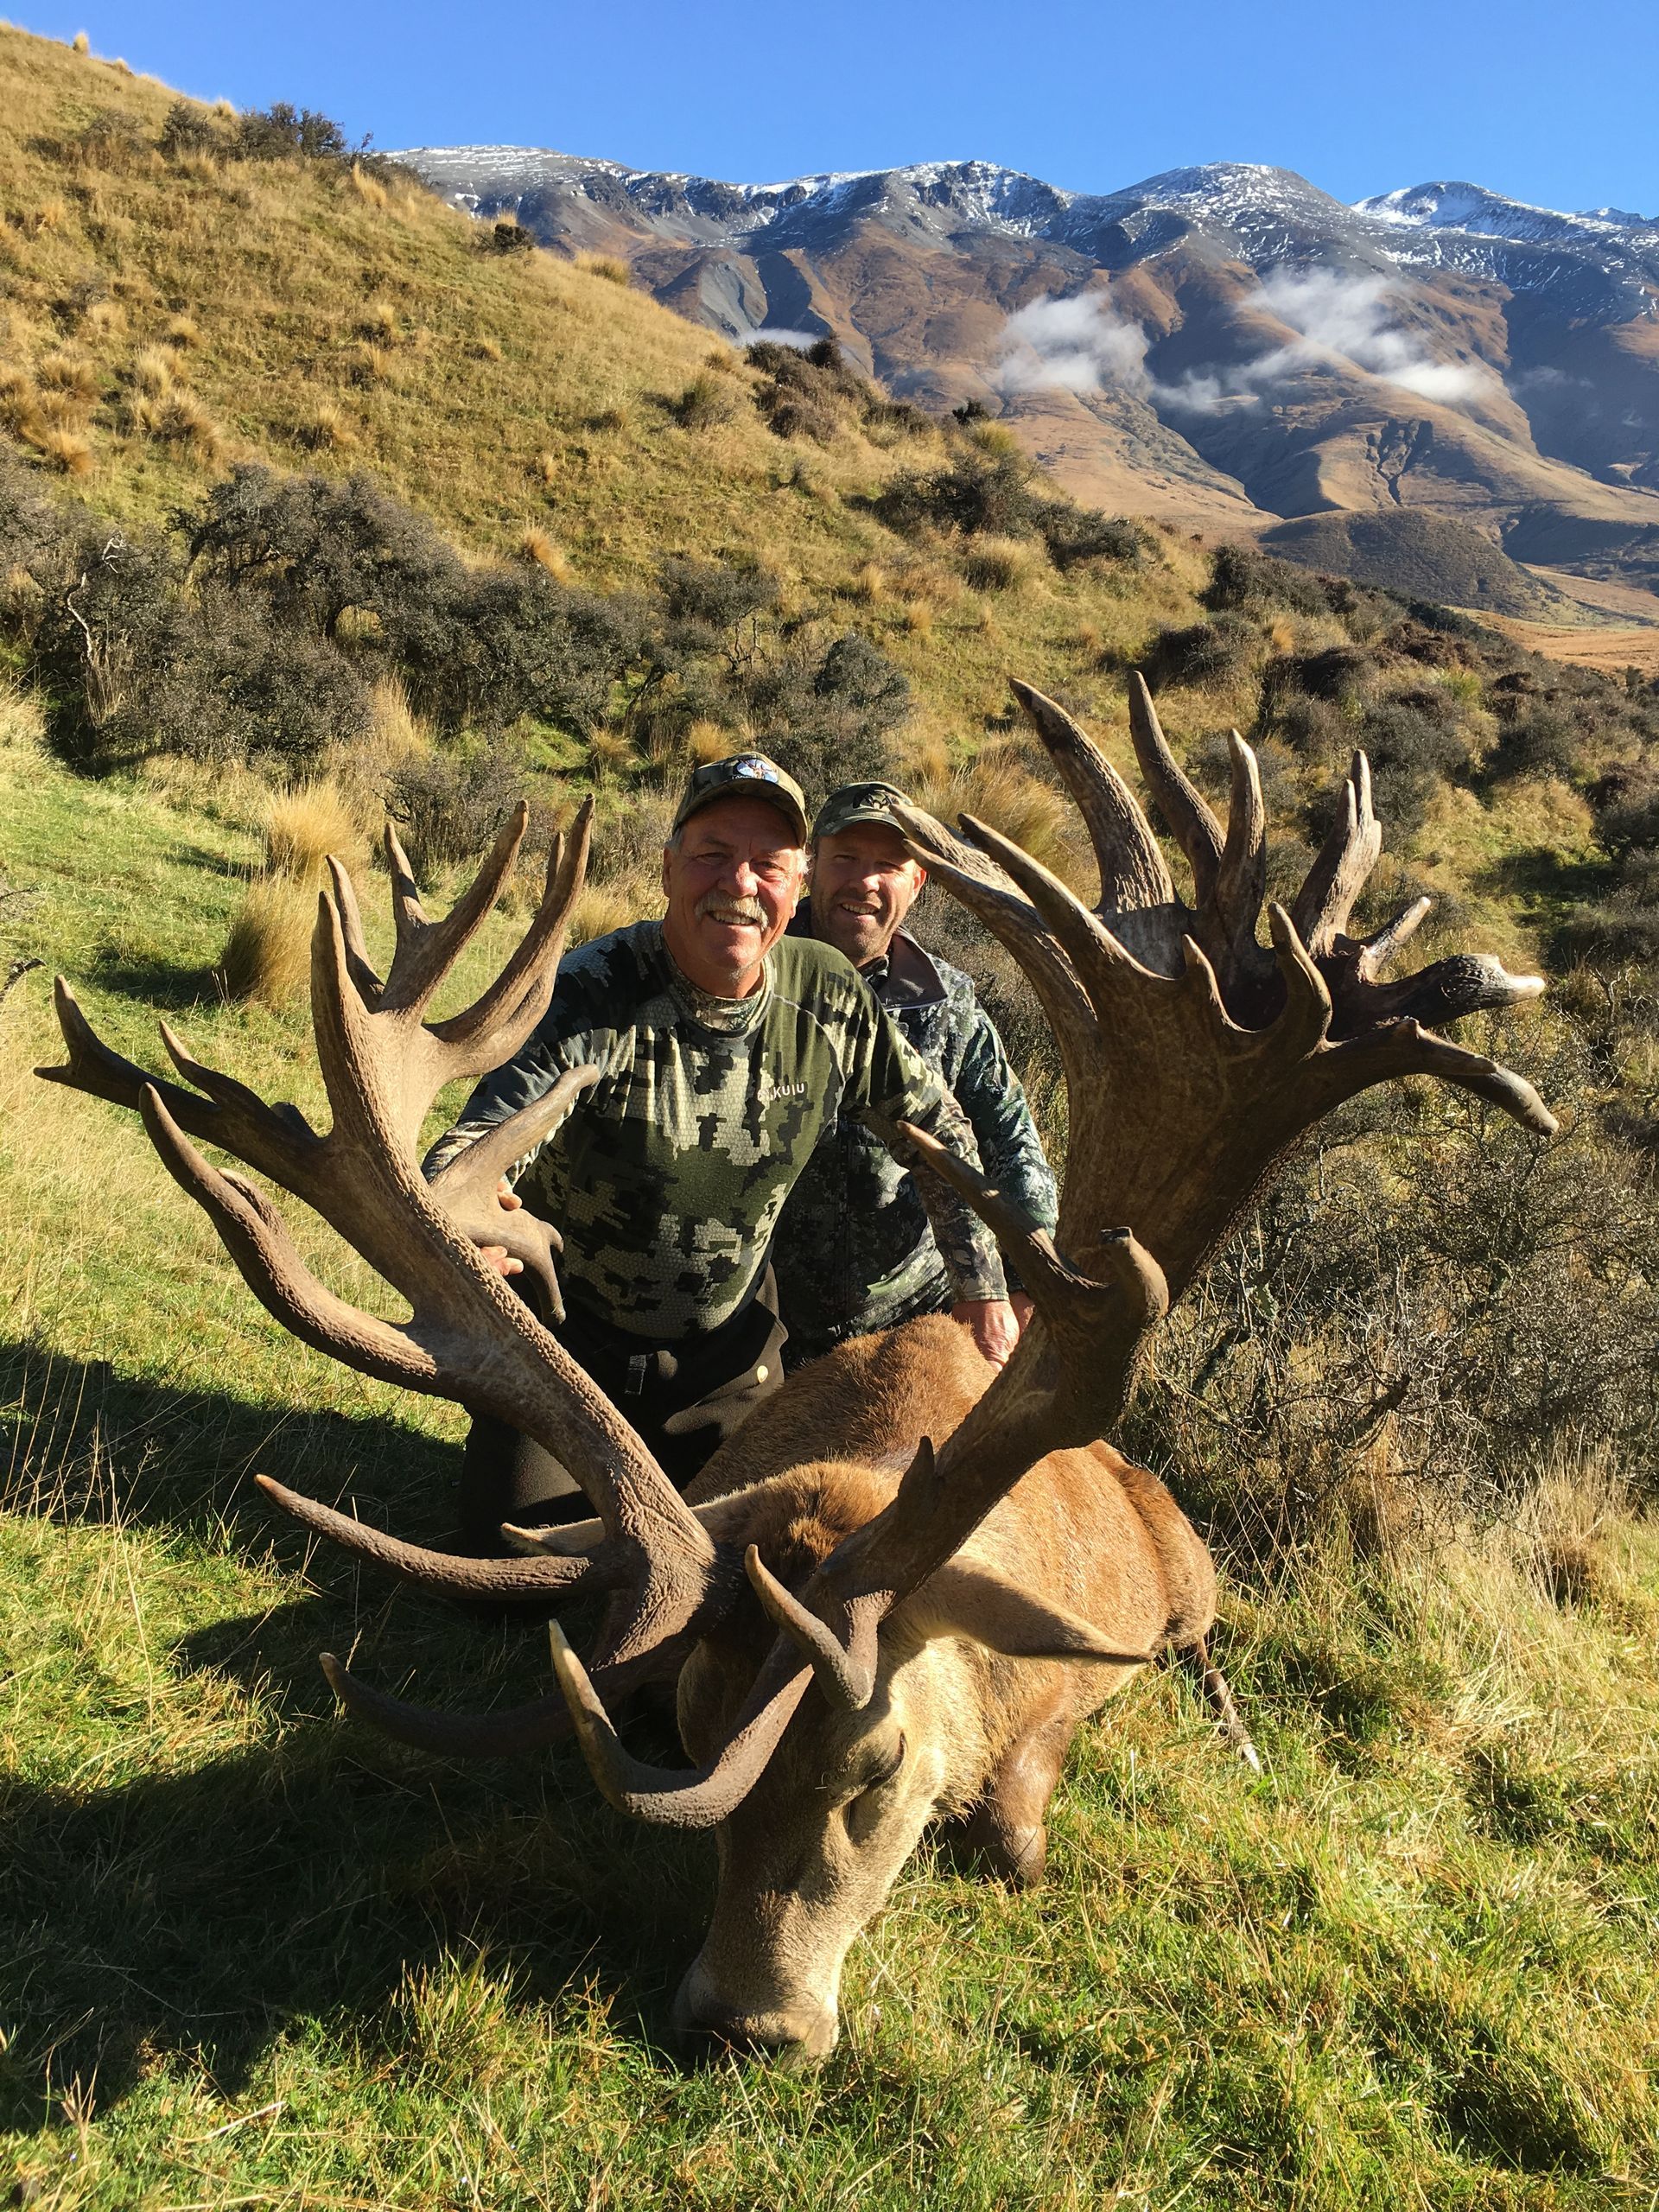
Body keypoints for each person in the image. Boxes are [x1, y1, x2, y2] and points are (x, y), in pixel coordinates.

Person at [424, 752, 1016, 1548]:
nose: (738, 884)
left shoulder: (827, 994)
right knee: (512, 1573)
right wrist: (472, 1225)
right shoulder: (593, 988)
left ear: (796, 884)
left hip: (728, 1365)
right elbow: (473, 1153)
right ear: (669, 869)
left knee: (732, 1568)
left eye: (766, 865)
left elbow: (937, 1132)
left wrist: (981, 1285)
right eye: (711, 856)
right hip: (570, 1349)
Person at [771, 779, 1058, 1369]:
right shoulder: (751, 974)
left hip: (917, 1317)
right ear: (810, 865)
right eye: (845, 858)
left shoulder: (948, 1002)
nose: (864, 881)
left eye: (888, 865)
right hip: (765, 1324)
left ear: (917, 882)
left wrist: (1023, 1279)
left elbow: (1011, 1137)